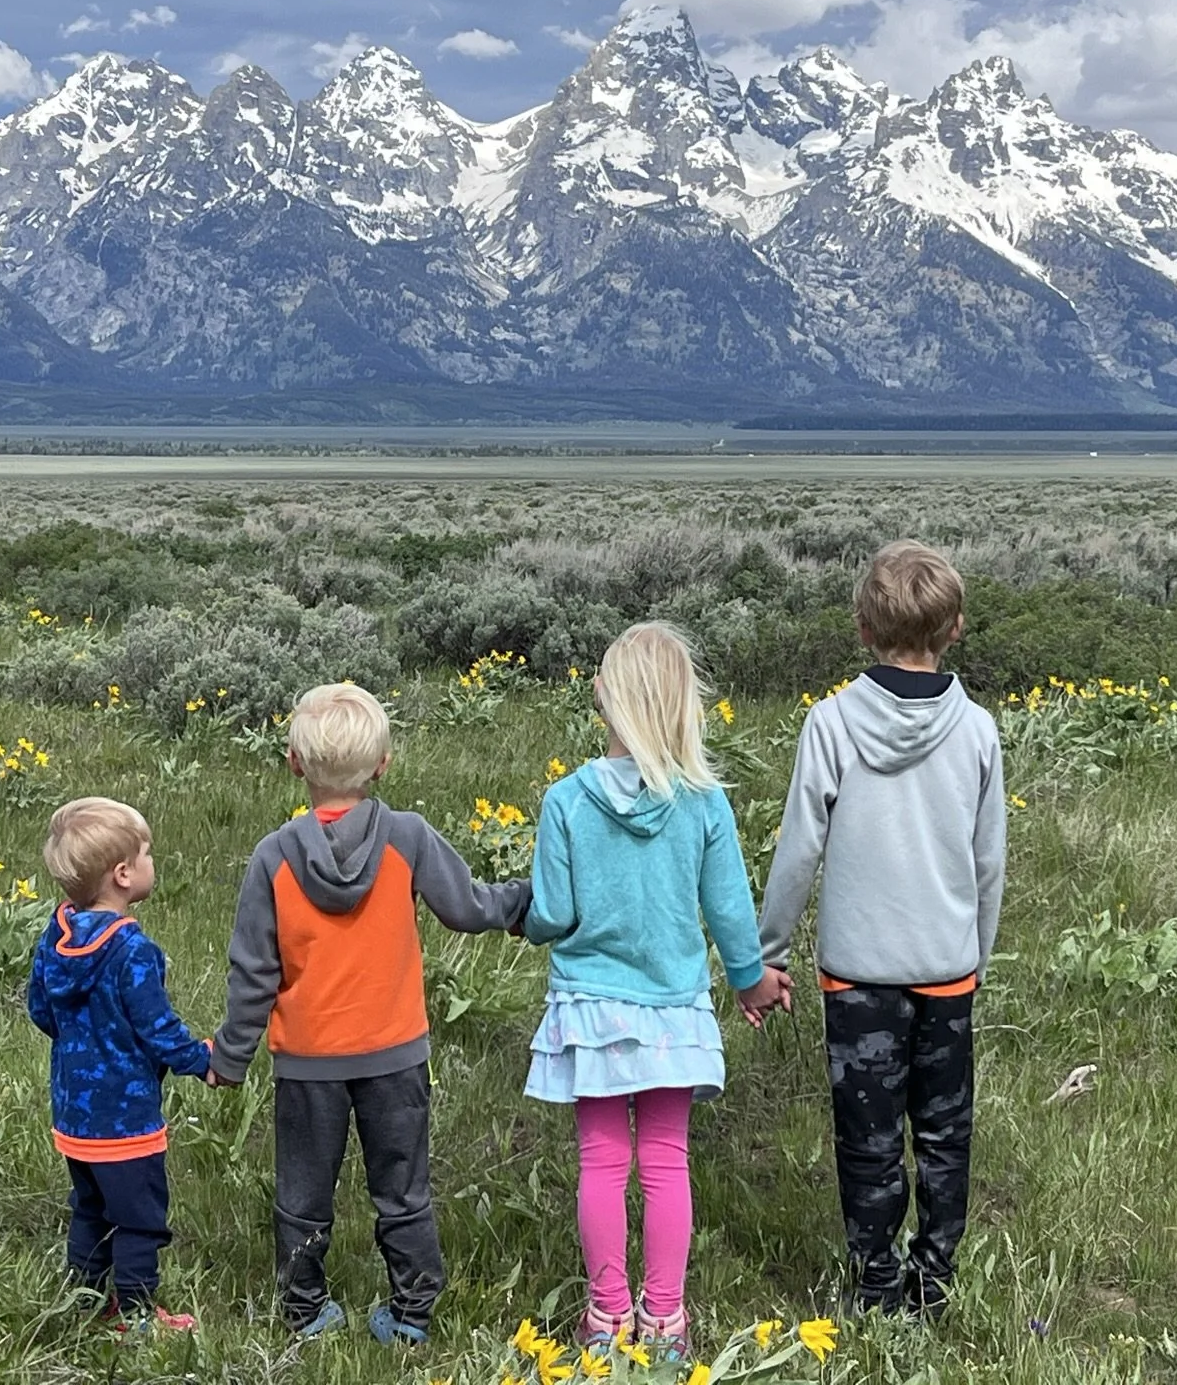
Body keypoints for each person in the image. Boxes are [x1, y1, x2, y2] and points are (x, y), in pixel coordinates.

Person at [209, 683, 532, 1345]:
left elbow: (253, 973)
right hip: (396, 1056)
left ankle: (305, 1313)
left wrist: (231, 1057)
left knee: (302, 1196)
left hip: (307, 1063)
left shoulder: (273, 857)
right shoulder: (407, 837)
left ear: (295, 763)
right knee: (403, 1190)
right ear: (384, 762)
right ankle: (412, 1314)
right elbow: (468, 908)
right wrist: (530, 902)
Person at [522, 621, 792, 1363]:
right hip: (675, 1009)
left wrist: (523, 911)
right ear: (683, 706)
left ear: (603, 698)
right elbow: (730, 907)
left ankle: (606, 1318)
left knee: (601, 1162)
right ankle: (665, 1320)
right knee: (667, 1160)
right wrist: (752, 981)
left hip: (591, 1005)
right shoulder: (703, 803)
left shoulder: (565, 802)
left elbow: (552, 916)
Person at [757, 540, 1007, 1317]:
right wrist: (976, 956)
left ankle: (874, 1285)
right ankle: (933, 1284)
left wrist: (768, 953)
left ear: (862, 627)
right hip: (948, 969)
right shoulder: (977, 732)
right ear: (955, 626)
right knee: (944, 1135)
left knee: (866, 1141)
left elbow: (799, 850)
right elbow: (988, 863)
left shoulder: (829, 725)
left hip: (857, 975)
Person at [27, 796, 214, 1336]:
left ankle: (82, 1301)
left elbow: (40, 1007)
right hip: (126, 1118)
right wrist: (199, 1059)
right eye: (147, 853)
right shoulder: (132, 949)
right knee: (139, 1219)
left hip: (73, 1116)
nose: (153, 862)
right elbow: (157, 1028)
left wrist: (79, 1048)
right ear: (124, 873)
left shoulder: (57, 935)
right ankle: (133, 1314)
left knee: (90, 1208)